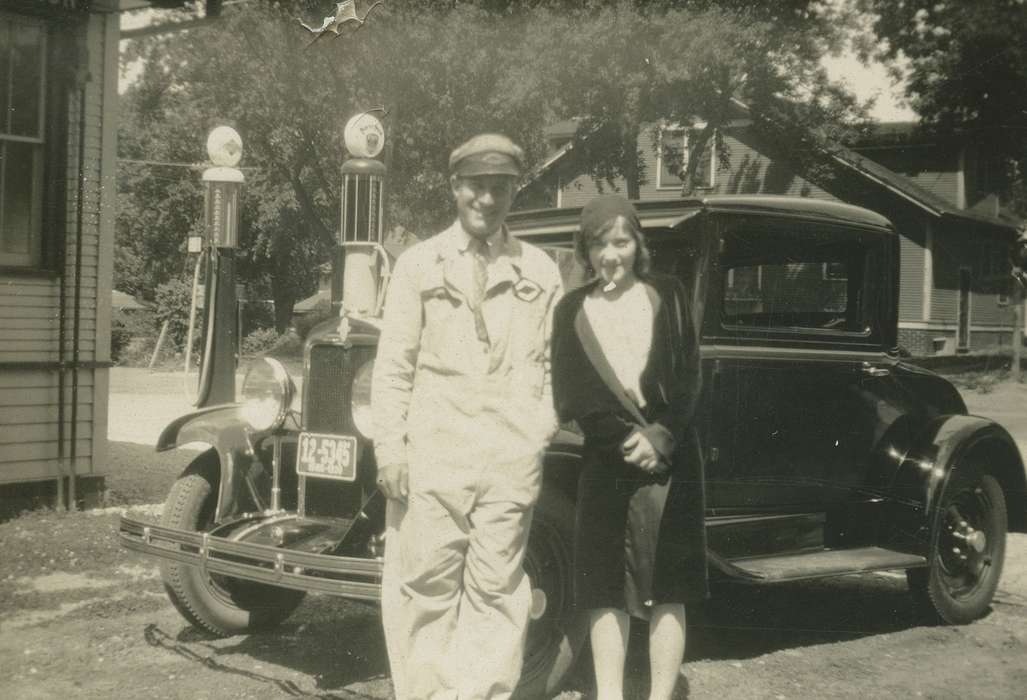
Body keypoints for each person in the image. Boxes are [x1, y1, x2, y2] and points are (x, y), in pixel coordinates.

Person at [371, 133, 563, 700]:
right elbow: (393, 370)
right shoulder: (418, 264)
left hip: (508, 462)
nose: (488, 198)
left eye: (500, 187)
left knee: (499, 593)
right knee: (426, 591)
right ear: (455, 188)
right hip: (435, 458)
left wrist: (536, 433)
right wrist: (391, 451)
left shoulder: (541, 269)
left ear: (513, 191)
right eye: (477, 186)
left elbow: (556, 368)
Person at [551, 194, 707, 700]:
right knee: (603, 590)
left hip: (673, 459)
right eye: (600, 243)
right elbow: (572, 393)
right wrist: (625, 440)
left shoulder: (669, 294)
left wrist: (661, 436)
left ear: (638, 244)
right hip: (605, 460)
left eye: (622, 241)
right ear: (586, 250)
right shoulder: (572, 309)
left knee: (669, 589)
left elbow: (688, 378)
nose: (611, 254)